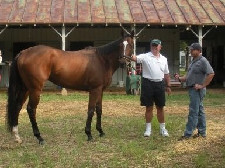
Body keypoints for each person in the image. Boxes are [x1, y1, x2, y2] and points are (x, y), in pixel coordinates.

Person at [130, 39, 171, 137]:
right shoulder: (145, 56)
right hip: (147, 84)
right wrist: (127, 51)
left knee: (160, 107)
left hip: (160, 84)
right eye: (153, 46)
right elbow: (134, 58)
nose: (155, 48)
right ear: (150, 46)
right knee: (149, 107)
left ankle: (163, 129)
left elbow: (166, 74)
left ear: (160, 47)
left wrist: (168, 86)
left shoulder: (164, 59)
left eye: (157, 46)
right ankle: (148, 129)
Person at [175, 43, 214, 140]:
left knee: (193, 111)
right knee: (200, 111)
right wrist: (179, 78)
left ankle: (187, 134)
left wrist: (202, 85)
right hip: (192, 89)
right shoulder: (193, 62)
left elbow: (211, 74)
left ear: (198, 50)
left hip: (197, 90)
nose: (191, 51)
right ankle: (202, 132)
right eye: (191, 50)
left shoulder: (203, 61)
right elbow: (188, 77)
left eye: (192, 50)